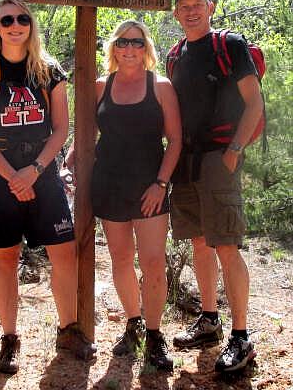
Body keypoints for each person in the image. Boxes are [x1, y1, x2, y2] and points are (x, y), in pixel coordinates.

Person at [0, 0, 96, 374]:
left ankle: (68, 329)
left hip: (42, 172)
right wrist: (13, 177)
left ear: (30, 24)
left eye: (23, 18)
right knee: (6, 257)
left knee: (64, 252)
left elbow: (61, 129)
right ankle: (9, 338)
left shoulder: (48, 70)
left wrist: (34, 171)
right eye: (7, 20)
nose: (16, 24)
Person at [66, 20, 181, 371]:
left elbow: (175, 140)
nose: (129, 49)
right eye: (122, 42)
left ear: (146, 47)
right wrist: (68, 163)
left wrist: (160, 184)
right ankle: (133, 324)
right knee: (119, 259)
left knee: (153, 263)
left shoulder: (160, 86)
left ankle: (154, 333)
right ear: (113, 48)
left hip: (149, 188)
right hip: (109, 184)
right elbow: (85, 133)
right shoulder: (101, 85)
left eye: (136, 42)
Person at [168, 0, 263, 372]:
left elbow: (253, 100)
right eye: (183, 7)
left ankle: (241, 337)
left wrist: (233, 153)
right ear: (176, 15)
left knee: (226, 244)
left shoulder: (229, 45)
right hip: (186, 160)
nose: (190, 11)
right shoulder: (175, 56)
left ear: (210, 7)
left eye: (196, 5)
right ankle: (209, 320)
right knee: (201, 242)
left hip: (219, 157)